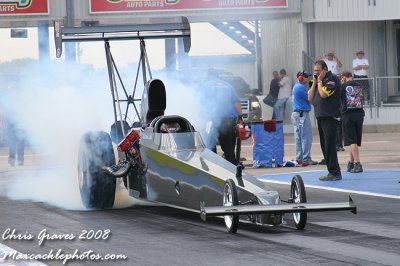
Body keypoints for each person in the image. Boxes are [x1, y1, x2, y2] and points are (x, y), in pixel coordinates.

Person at [308, 60, 342, 181]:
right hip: (321, 116)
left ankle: (335, 172)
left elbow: (323, 95)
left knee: (330, 145)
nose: (315, 73)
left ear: (324, 70)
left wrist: (320, 82)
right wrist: (315, 82)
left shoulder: (332, 79)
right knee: (324, 145)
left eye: (318, 71)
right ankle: (331, 170)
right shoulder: (315, 81)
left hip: (331, 116)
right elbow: (310, 97)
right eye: (314, 71)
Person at [200, 69, 243, 165]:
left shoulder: (206, 85)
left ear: (208, 77)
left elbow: (201, 104)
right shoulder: (227, 85)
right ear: (218, 77)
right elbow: (236, 102)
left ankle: (216, 164)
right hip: (230, 119)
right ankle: (232, 162)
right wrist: (240, 118)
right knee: (229, 144)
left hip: (214, 119)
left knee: (210, 142)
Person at [340, 70, 365, 173]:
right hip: (359, 114)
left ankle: (358, 164)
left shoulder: (342, 86)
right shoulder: (359, 85)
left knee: (351, 140)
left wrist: (342, 84)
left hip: (348, 115)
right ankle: (351, 163)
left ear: (344, 77)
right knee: (354, 140)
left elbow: (339, 99)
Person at [291, 71, 318, 166]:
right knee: (306, 137)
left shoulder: (296, 86)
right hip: (302, 114)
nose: (307, 79)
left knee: (298, 137)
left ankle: (299, 158)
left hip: (297, 114)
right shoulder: (300, 88)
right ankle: (306, 158)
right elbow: (310, 98)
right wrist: (314, 85)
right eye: (306, 77)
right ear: (301, 78)